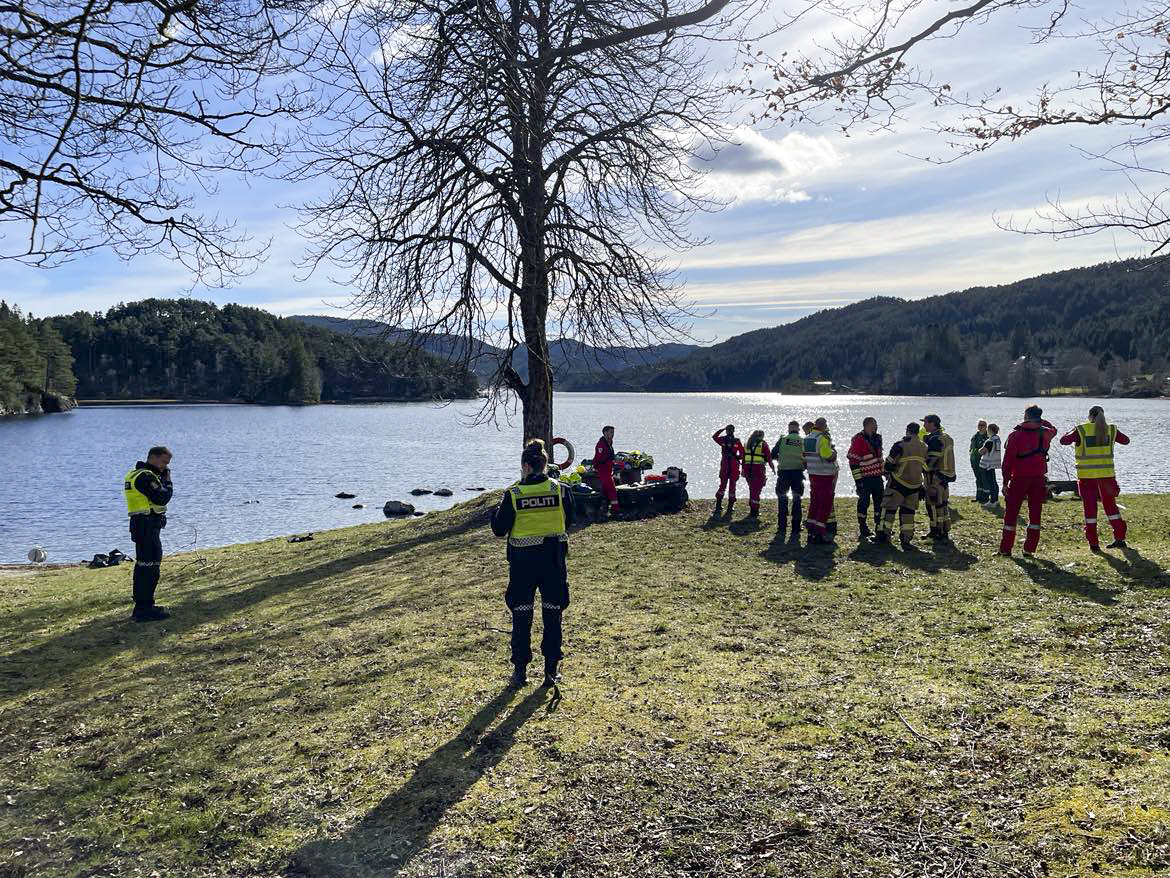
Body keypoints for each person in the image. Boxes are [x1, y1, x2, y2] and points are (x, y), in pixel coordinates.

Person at [491, 439, 575, 687]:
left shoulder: (515, 494)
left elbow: (498, 529)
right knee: (553, 613)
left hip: (523, 563)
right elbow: (569, 519)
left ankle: (520, 671)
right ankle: (551, 670)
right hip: (553, 560)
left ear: (526, 466)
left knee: (521, 614)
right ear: (545, 464)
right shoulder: (560, 491)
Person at [1060, 405, 1131, 552]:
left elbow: (1063, 440)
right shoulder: (1111, 429)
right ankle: (1120, 538)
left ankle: (1093, 543)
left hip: (1087, 477)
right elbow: (1126, 441)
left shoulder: (1081, 429)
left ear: (1089, 416)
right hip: (1107, 475)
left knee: (1090, 510)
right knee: (1111, 507)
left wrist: (1072, 430)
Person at [998, 405, 1058, 557]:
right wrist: (1041, 421)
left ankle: (1006, 549)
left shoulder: (1015, 436)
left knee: (1011, 514)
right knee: (1035, 513)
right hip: (1038, 479)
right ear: (1039, 417)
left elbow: (1007, 463)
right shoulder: (1045, 433)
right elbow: (1054, 429)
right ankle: (1029, 549)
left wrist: (1005, 482)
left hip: (1019, 479)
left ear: (1026, 416)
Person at [124, 446, 174, 622]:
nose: (165, 467)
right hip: (146, 526)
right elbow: (162, 497)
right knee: (149, 567)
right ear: (152, 458)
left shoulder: (136, 473)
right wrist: (168, 481)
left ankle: (144, 605)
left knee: (145, 566)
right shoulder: (145, 477)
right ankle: (144, 609)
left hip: (143, 524)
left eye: (167, 464)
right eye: (163, 462)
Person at [876, 423, 927, 549]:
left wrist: (887, 472)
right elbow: (925, 467)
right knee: (908, 513)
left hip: (898, 483)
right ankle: (906, 539)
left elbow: (888, 464)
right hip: (915, 485)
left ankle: (884, 536)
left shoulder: (900, 445)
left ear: (907, 431)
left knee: (888, 510)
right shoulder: (924, 446)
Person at [803, 417, 838, 545]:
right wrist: (833, 453)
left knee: (815, 502)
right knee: (825, 504)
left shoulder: (807, 438)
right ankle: (819, 532)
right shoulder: (822, 438)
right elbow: (826, 454)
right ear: (823, 426)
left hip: (813, 473)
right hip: (825, 474)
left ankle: (811, 528)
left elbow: (804, 455)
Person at [847, 417, 884, 540]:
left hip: (877, 477)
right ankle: (863, 527)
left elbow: (879, 458)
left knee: (880, 503)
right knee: (864, 503)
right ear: (867, 425)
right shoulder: (858, 439)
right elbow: (853, 462)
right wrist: (858, 482)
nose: (876, 427)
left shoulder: (877, 439)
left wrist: (884, 472)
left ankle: (879, 528)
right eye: (874, 425)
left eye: (876, 424)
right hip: (865, 478)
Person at [922, 415, 957, 542]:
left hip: (935, 477)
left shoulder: (935, 439)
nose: (924, 425)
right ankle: (944, 531)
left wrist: (922, 468)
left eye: (925, 422)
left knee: (933, 504)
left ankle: (936, 531)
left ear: (932, 424)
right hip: (946, 476)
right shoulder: (946, 437)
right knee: (943, 504)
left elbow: (932, 460)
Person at [771, 420, 806, 538]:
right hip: (797, 472)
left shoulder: (782, 439)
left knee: (782, 498)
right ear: (798, 429)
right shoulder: (802, 441)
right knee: (797, 499)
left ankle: (782, 526)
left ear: (788, 429)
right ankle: (796, 527)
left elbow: (773, 454)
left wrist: (781, 459)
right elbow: (807, 455)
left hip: (784, 472)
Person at [712, 425, 744, 518]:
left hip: (727, 464)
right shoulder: (736, 441)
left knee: (724, 485)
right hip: (731, 465)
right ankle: (727, 506)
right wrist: (738, 458)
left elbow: (714, 437)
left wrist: (721, 430)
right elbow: (742, 453)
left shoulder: (724, 440)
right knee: (730, 486)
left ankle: (721, 505)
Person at [742, 429, 775, 519]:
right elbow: (768, 457)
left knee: (752, 488)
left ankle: (753, 507)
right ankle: (754, 510)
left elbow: (743, 458)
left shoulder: (747, 444)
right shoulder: (763, 444)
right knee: (757, 489)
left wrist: (743, 470)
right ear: (762, 436)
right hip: (758, 469)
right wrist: (773, 468)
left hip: (748, 469)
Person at [593, 425, 620, 518]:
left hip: (608, 469)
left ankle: (604, 508)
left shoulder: (609, 443)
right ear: (605, 433)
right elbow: (598, 458)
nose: (612, 434)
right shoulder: (601, 444)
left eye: (613, 433)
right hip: (603, 470)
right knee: (612, 489)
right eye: (610, 432)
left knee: (605, 490)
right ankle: (615, 510)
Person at [979, 423, 1002, 506]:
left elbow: (982, 451)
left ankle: (992, 501)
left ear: (990, 430)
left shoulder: (990, 441)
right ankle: (995, 500)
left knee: (991, 483)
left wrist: (979, 449)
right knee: (994, 482)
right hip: (994, 463)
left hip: (988, 464)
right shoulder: (997, 439)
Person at [970, 420, 990, 503]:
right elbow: (971, 448)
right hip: (974, 460)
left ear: (986, 426)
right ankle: (978, 496)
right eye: (979, 425)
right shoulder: (975, 436)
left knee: (985, 479)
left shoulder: (988, 437)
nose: (980, 427)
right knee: (978, 478)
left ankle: (985, 498)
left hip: (984, 461)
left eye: (982, 425)